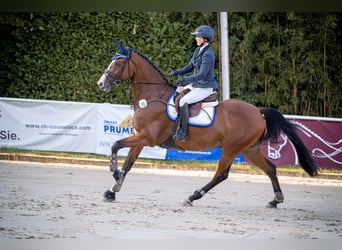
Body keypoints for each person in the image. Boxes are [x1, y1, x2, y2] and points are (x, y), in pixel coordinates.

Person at [169, 25, 218, 141]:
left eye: (198, 36)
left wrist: (184, 79)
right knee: (176, 92)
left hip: (205, 87)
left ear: (205, 39)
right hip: (196, 85)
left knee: (183, 101)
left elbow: (201, 75)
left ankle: (183, 133)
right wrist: (177, 72)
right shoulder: (198, 50)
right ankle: (176, 123)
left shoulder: (208, 55)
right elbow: (190, 66)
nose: (196, 38)